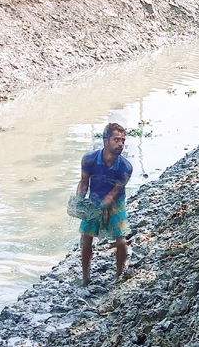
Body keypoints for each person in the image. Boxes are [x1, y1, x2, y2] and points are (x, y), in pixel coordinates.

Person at [78, 122, 132, 286]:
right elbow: (84, 183)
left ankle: (119, 273)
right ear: (105, 141)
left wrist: (105, 208)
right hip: (94, 198)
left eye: (123, 140)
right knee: (86, 238)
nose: (120, 144)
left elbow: (113, 194)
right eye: (116, 140)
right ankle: (86, 276)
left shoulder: (125, 167)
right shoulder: (89, 159)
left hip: (116, 201)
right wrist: (80, 202)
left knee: (121, 241)